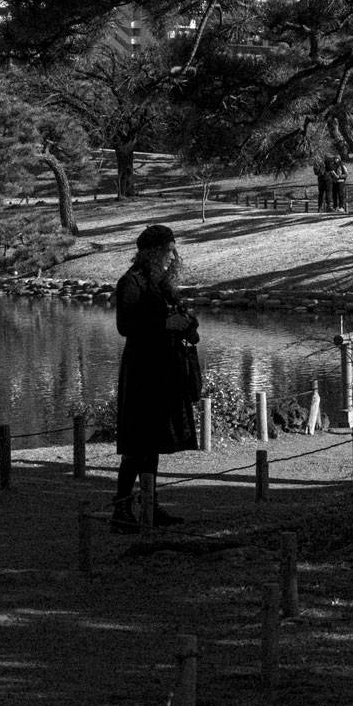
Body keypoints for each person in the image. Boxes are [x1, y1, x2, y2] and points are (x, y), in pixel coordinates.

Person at [112, 224, 200, 533]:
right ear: (150, 253)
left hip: (164, 370)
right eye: (167, 250)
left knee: (153, 443)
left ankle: (150, 505)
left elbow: (182, 319)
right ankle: (121, 510)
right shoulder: (130, 283)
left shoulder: (163, 284)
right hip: (141, 371)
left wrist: (187, 322)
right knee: (138, 444)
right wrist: (166, 325)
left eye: (173, 250)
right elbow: (126, 326)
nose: (172, 256)